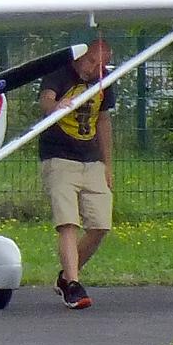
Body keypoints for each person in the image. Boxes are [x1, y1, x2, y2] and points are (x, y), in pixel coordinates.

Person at [38, 35, 116, 309]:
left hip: (91, 159)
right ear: (81, 56)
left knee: (100, 224)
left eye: (101, 65)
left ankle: (66, 276)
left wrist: (107, 164)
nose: (93, 69)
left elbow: (104, 121)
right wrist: (55, 107)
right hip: (59, 157)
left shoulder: (104, 82)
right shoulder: (60, 72)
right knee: (68, 222)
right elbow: (46, 99)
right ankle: (73, 284)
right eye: (91, 62)